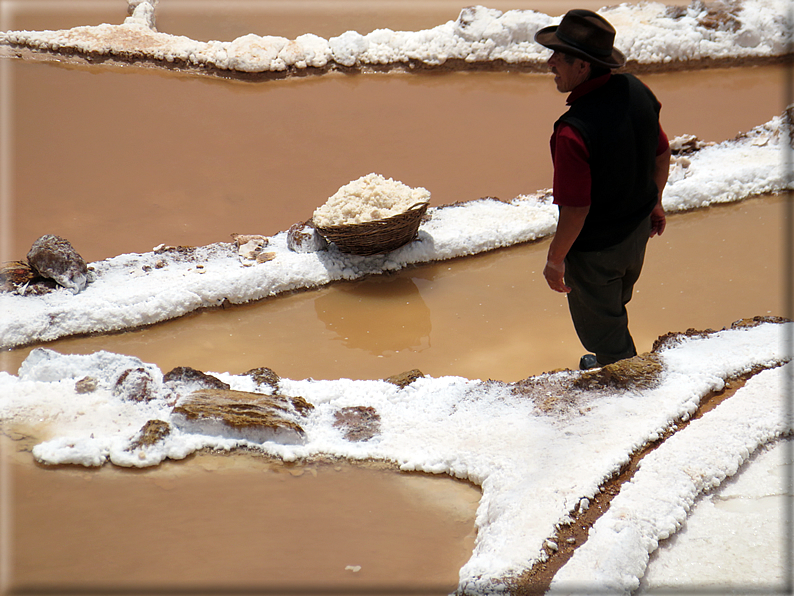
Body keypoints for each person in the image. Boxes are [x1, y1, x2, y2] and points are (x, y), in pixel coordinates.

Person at [534, 9, 672, 370]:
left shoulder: (572, 131)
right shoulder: (637, 91)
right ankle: (613, 356)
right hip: (637, 233)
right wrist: (654, 201)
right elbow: (661, 154)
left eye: (558, 57)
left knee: (604, 331)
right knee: (614, 305)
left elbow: (576, 209)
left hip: (597, 251)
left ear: (582, 67)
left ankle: (625, 379)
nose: (550, 64)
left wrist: (555, 260)